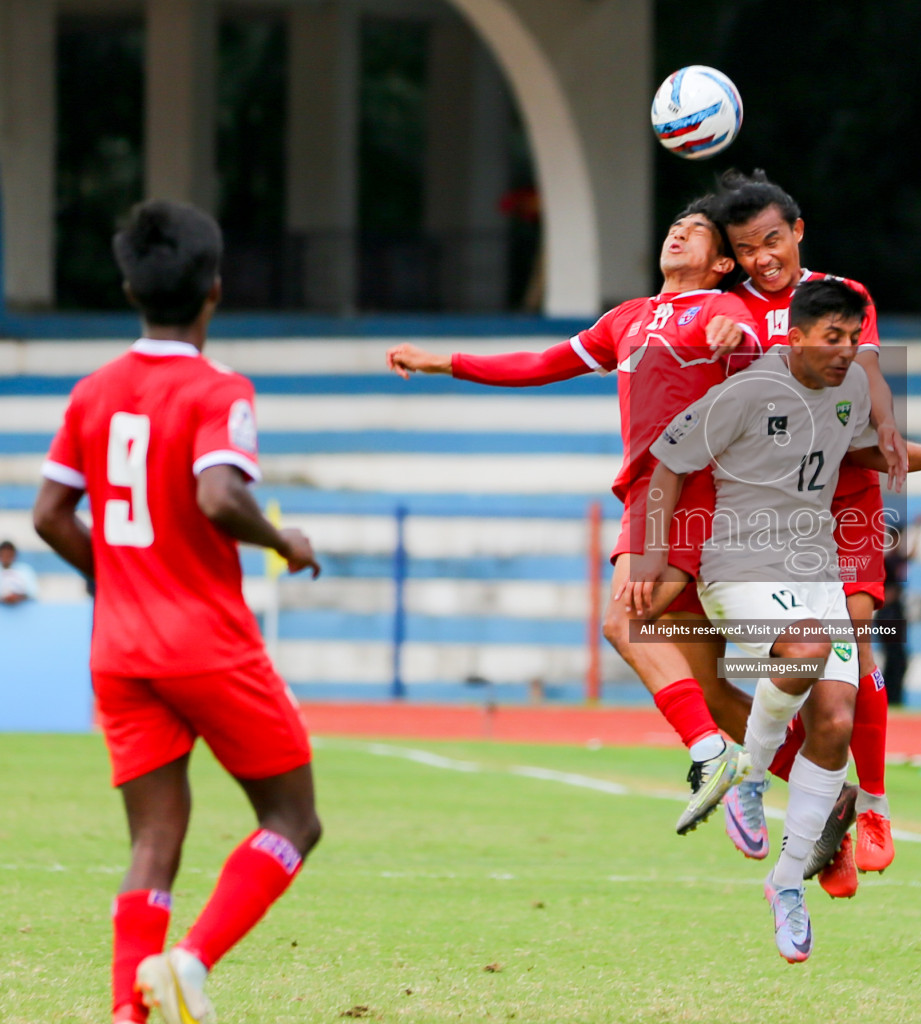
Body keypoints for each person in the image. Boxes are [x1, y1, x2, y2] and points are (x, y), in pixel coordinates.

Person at [629, 279, 921, 961]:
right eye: (833, 338)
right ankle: (748, 774)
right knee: (804, 652)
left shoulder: (850, 389)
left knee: (831, 722)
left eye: (854, 339)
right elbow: (667, 465)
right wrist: (655, 552)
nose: (846, 351)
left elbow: (863, 453)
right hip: (737, 561)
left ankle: (786, 882)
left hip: (814, 567)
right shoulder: (744, 393)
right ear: (794, 336)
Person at [32, 200, 322, 1024]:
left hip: (120, 650)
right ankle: (189, 961)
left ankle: (130, 1014)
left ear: (130, 285)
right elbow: (219, 492)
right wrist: (284, 540)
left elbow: (50, 515)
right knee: (293, 819)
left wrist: (117, 577)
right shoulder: (217, 388)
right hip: (205, 643)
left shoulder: (94, 391)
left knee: (152, 841)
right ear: (214, 292)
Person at [386, 203, 763, 834]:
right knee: (715, 691)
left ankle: (711, 754)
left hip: (681, 496)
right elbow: (541, 364)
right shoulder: (626, 319)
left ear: (723, 263)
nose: (678, 231)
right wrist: (445, 362)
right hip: (655, 498)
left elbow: (748, 343)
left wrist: (738, 340)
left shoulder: (720, 308)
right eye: (676, 224)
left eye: (697, 230)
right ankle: (823, 787)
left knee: (624, 619)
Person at [711, 169, 921, 893]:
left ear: (798, 231)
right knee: (750, 680)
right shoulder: (723, 309)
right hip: (765, 508)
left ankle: (872, 805)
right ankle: (830, 804)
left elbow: (867, 370)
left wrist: (888, 423)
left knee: (859, 631)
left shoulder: (844, 295)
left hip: (844, 491)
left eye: (772, 240)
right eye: (747, 248)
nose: (762, 258)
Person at [875, 515, 921, 706]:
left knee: (898, 658)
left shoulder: (895, 559)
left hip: (894, 613)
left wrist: (918, 529)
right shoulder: (888, 560)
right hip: (889, 614)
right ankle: (890, 697)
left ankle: (893, 697)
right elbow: (885, 590)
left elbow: (912, 554)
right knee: (894, 657)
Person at [0, 540, 39, 604]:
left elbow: (33, 593)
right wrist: (5, 599)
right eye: (4, 554)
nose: (6, 557)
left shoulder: (25, 570)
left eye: (9, 554)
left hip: (23, 611)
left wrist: (18, 597)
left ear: (14, 555)